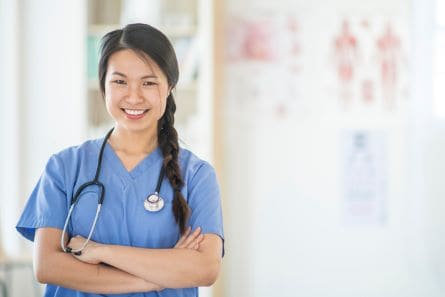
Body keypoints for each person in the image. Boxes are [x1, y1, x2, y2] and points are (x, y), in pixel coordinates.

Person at [15, 23, 224, 296]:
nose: (134, 96)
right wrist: (158, 278)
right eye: (120, 81)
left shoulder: (197, 175)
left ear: (169, 87)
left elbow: (205, 269)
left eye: (148, 82)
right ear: (103, 85)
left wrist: (100, 252)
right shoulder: (64, 167)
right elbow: (47, 266)